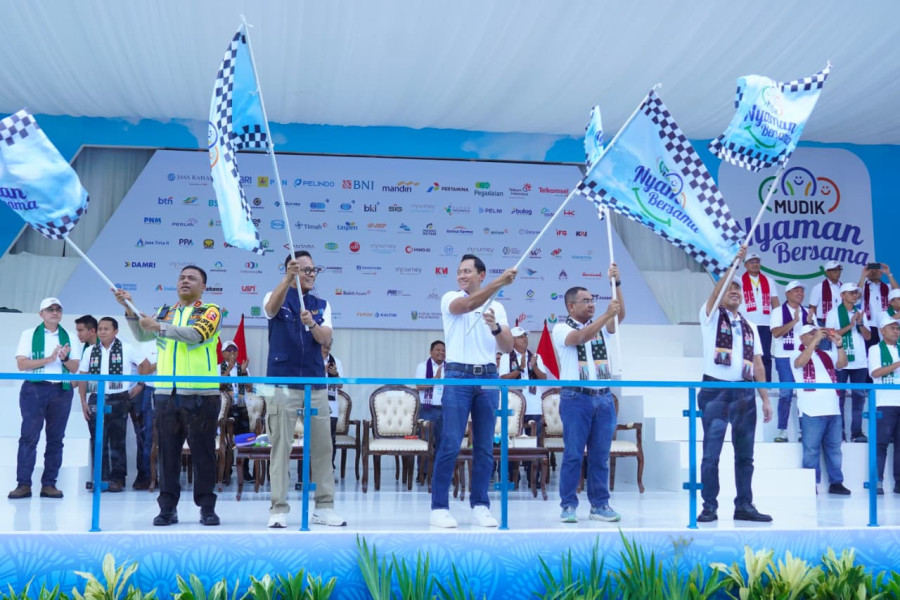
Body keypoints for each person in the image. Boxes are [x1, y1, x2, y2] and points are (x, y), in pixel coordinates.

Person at [114, 265, 222, 526]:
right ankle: (167, 508)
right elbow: (142, 332)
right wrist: (130, 307)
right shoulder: (166, 311)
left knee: (203, 453)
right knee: (168, 453)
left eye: (192, 278)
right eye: (182, 277)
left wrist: (160, 327)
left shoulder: (210, 311)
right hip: (165, 393)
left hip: (201, 393)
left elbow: (196, 335)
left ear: (203, 286)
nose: (185, 281)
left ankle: (207, 507)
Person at [430, 254, 516, 528]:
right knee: (451, 443)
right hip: (458, 375)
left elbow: (507, 346)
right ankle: (439, 506)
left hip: (488, 377)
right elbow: (465, 305)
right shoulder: (450, 297)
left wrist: (495, 327)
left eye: (468, 271)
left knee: (484, 446)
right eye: (459, 271)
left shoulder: (498, 307)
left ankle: (480, 504)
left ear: (481, 274)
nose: (462, 276)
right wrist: (498, 283)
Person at [264, 251, 345, 528]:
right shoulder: (275, 295)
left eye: (314, 270)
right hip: (282, 385)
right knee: (280, 448)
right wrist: (287, 279)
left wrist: (312, 323)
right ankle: (279, 509)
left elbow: (325, 337)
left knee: (323, 448)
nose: (311, 274)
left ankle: (324, 506)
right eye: (305, 269)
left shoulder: (321, 305)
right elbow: (270, 311)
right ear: (292, 270)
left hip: (315, 383)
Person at [698, 248, 773, 523]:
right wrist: (733, 266)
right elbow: (716, 295)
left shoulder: (750, 324)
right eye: (730, 288)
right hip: (715, 390)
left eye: (739, 289)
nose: (735, 292)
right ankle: (709, 506)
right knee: (711, 455)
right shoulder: (710, 316)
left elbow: (759, 364)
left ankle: (744, 505)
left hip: (744, 392)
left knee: (745, 456)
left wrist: (765, 398)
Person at [552, 266, 624, 523]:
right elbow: (580, 338)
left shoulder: (601, 325)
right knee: (573, 453)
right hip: (576, 398)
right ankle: (569, 505)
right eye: (586, 301)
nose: (592, 304)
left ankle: (600, 505)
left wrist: (616, 284)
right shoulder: (560, 328)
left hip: (603, 397)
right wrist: (605, 315)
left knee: (600, 455)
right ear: (571, 307)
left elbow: (619, 316)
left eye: (593, 300)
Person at [9, 297, 80, 499]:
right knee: (29, 437)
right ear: (41, 314)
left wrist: (64, 358)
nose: (55, 312)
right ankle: (23, 484)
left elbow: (75, 368)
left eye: (58, 309)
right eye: (50, 309)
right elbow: (22, 365)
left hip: (62, 389)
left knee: (56, 440)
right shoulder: (29, 334)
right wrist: (49, 359)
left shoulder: (70, 337)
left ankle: (49, 484)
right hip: (35, 389)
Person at [78, 317, 144, 493]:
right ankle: (100, 479)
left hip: (119, 398)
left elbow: (144, 366)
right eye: (100, 329)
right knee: (98, 440)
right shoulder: (90, 351)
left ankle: (117, 480)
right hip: (96, 398)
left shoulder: (127, 349)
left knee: (117, 440)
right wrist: (83, 401)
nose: (102, 332)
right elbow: (83, 376)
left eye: (106, 329)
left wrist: (140, 384)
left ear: (116, 331)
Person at [791, 324, 850, 495]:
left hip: (832, 408)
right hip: (811, 409)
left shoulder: (826, 354)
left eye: (816, 333)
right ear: (801, 338)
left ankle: (836, 482)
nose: (815, 335)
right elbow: (800, 362)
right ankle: (811, 484)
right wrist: (816, 340)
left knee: (834, 449)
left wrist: (839, 344)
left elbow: (842, 363)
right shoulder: (795, 353)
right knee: (811, 449)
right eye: (810, 334)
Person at [498, 327, 547, 486]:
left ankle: (534, 478)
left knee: (534, 442)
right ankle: (512, 477)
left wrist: (533, 367)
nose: (524, 339)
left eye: (525, 336)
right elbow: (503, 379)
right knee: (511, 442)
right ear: (512, 340)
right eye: (520, 337)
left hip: (534, 406)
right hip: (514, 406)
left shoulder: (536, 356)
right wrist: (519, 368)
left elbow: (544, 379)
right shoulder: (506, 357)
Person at [825, 283, 871, 443]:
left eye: (856, 293)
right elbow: (830, 334)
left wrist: (859, 324)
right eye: (851, 293)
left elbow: (868, 337)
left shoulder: (860, 313)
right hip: (840, 360)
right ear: (842, 295)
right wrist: (850, 325)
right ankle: (839, 432)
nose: (854, 295)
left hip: (860, 362)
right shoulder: (833, 313)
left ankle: (857, 432)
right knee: (839, 397)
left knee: (859, 397)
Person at [770, 281, 807, 443]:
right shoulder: (778, 311)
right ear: (787, 294)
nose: (800, 293)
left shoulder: (807, 312)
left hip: (803, 357)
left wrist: (810, 323)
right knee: (786, 393)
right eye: (796, 291)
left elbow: (817, 336)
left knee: (803, 393)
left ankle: (803, 430)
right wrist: (794, 321)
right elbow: (776, 333)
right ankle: (782, 430)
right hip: (784, 357)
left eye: (801, 291)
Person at [868, 314, 900, 495]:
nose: (896, 331)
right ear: (882, 331)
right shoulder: (875, 349)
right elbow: (876, 372)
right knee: (880, 444)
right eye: (892, 328)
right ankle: (877, 481)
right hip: (885, 402)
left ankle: (899, 483)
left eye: (897, 329)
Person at [740, 253, 781, 382]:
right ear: (745, 265)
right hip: (746, 323)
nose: (755, 264)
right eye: (751, 262)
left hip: (765, 323)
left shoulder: (769, 281)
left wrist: (778, 319)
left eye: (757, 262)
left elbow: (774, 301)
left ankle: (766, 383)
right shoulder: (739, 281)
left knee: (765, 354)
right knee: (747, 354)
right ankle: (747, 381)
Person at [219, 339, 252, 482]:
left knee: (244, 441)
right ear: (222, 353)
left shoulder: (242, 367)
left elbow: (250, 388)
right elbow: (217, 386)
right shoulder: (218, 367)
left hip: (241, 408)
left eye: (234, 350)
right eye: (229, 350)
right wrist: (228, 370)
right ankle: (225, 472)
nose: (232, 353)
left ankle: (244, 472)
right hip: (226, 410)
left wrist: (244, 373)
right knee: (226, 441)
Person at [74, 315, 101, 487]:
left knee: (110, 440)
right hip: (93, 396)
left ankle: (113, 479)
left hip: (114, 396)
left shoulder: (114, 345)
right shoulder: (85, 350)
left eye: (80, 330)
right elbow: (78, 380)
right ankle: (97, 477)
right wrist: (83, 401)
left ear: (92, 331)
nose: (78, 334)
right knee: (96, 438)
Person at [415, 340, 445, 482]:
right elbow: (419, 386)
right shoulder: (422, 367)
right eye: (438, 350)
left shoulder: (450, 368)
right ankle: (423, 472)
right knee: (425, 442)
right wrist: (435, 379)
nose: (441, 353)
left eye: (443, 350)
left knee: (442, 442)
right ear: (431, 352)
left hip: (445, 409)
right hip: (427, 409)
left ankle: (440, 473)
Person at [858, 262, 898, 349]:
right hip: (869, 324)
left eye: (876, 269)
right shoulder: (864, 287)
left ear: (881, 272)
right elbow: (856, 295)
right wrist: (863, 276)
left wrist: (888, 274)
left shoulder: (887, 286)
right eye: (871, 269)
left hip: (886, 324)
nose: (874, 271)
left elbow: (897, 292)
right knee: (870, 350)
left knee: (889, 350)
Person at [321, 339, 344, 470]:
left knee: (330, 440)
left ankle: (329, 469)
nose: (327, 346)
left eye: (329, 343)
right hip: (314, 404)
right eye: (324, 343)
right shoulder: (311, 360)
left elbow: (340, 385)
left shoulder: (336, 362)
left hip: (331, 407)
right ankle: (308, 473)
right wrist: (321, 371)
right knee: (313, 440)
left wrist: (335, 374)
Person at [808, 261, 843, 329]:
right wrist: (815, 325)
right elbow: (812, 308)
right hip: (823, 324)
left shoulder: (843, 287)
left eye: (839, 270)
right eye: (834, 270)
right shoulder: (818, 287)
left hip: (840, 323)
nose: (837, 272)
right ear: (827, 272)